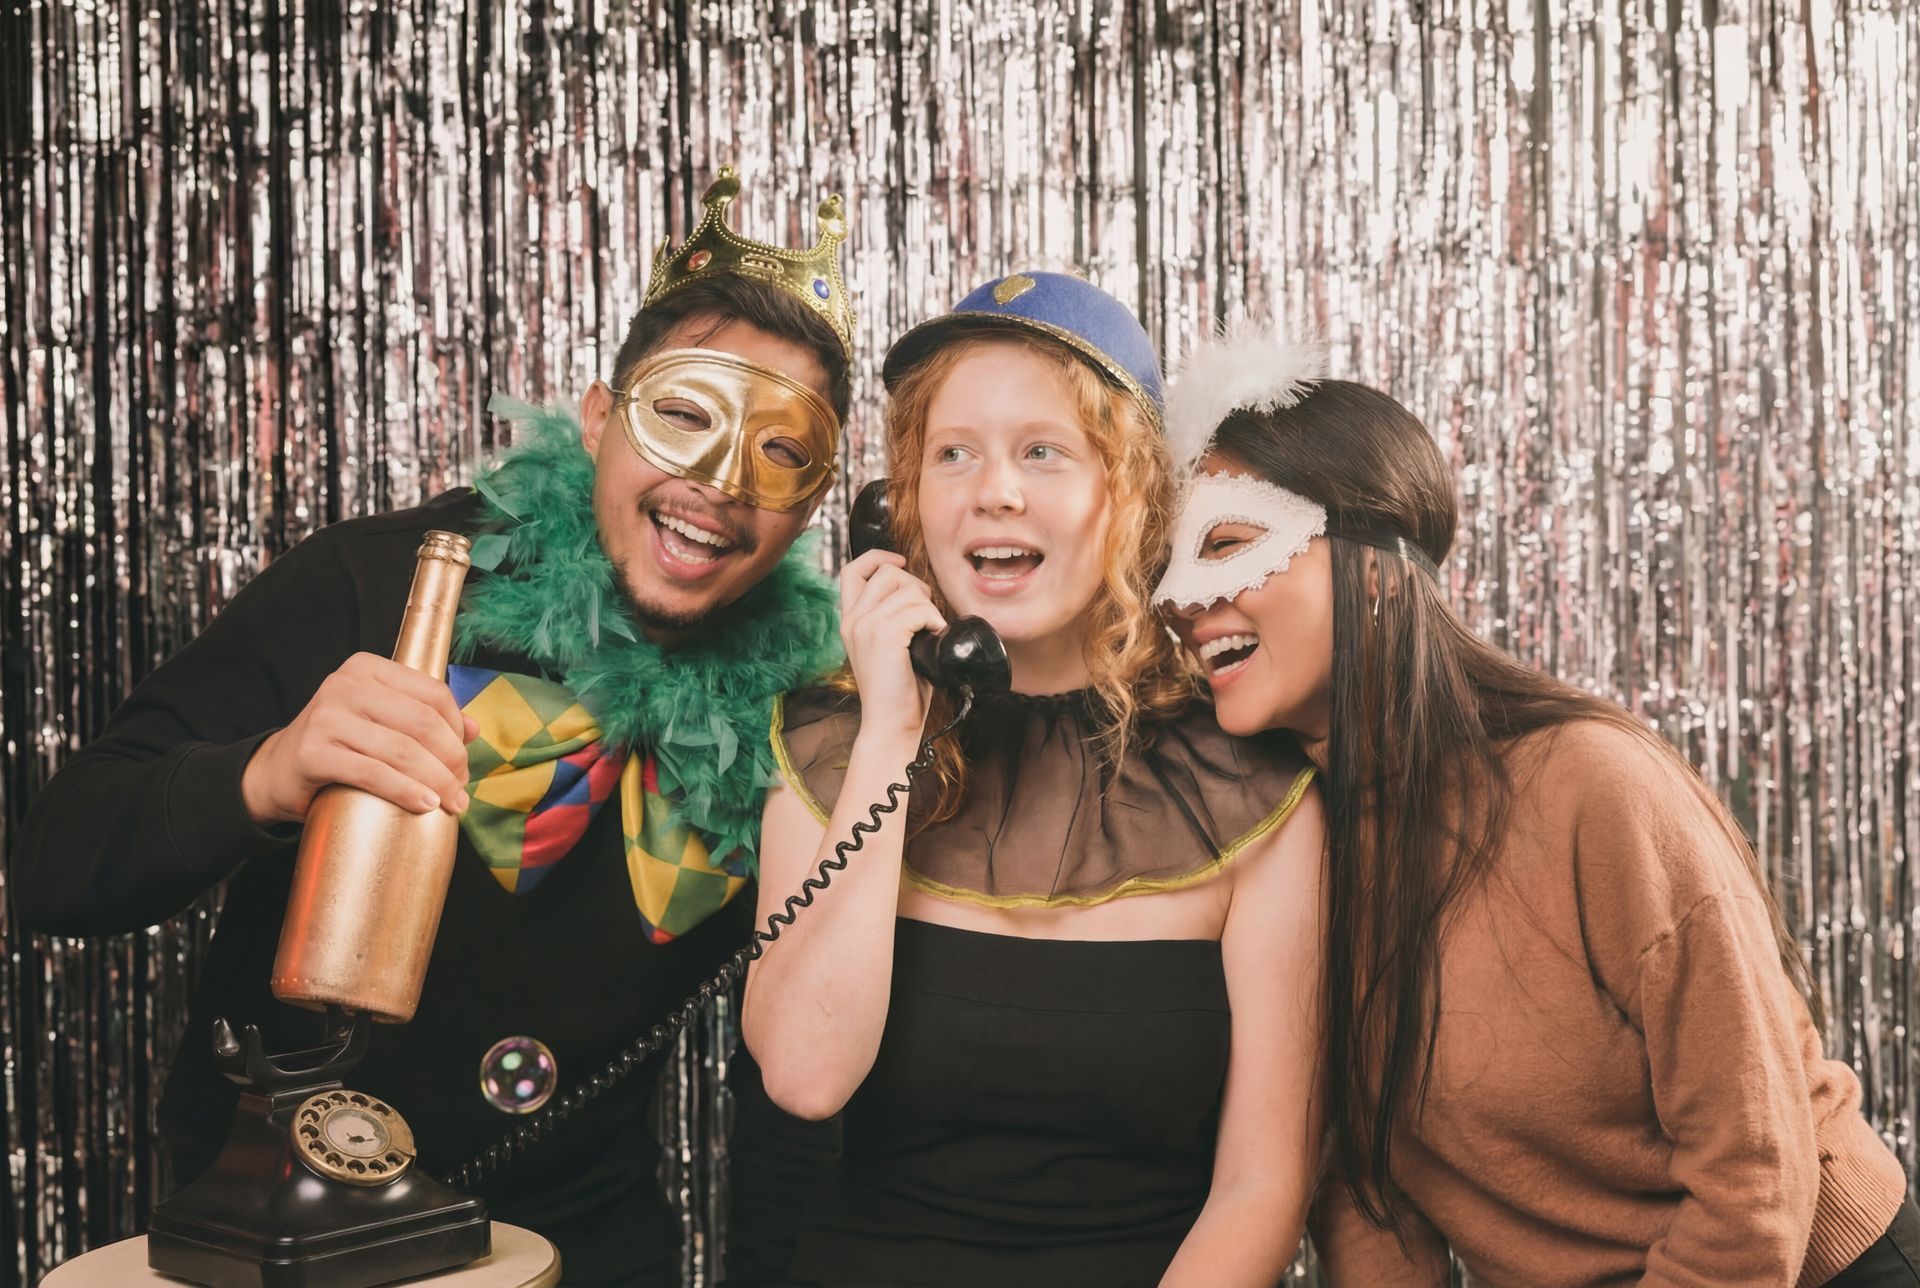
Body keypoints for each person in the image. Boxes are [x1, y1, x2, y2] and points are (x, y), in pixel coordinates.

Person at [11, 167, 850, 1288]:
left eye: (782, 451)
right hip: (280, 1241)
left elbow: (794, 1084)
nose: (717, 479)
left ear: (810, 503)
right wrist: (267, 774)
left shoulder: (804, 710)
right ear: (600, 418)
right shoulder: (385, 586)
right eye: (684, 414)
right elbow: (57, 867)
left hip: (587, 1254)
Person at [1153, 319, 1917, 1287]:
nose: (1178, 599)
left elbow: (1752, 1167)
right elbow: (1364, 1190)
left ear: (1380, 570)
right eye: (1166, 566)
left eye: (1226, 543)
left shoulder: (1595, 787)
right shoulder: (1287, 845)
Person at [742, 273, 1328, 1287]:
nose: (993, 489)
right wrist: (892, 726)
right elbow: (803, 1074)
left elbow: (1263, 1187)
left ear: (1133, 492)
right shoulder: (835, 743)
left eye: (1043, 452)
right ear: (908, 504)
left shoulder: (1249, 781)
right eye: (953, 452)